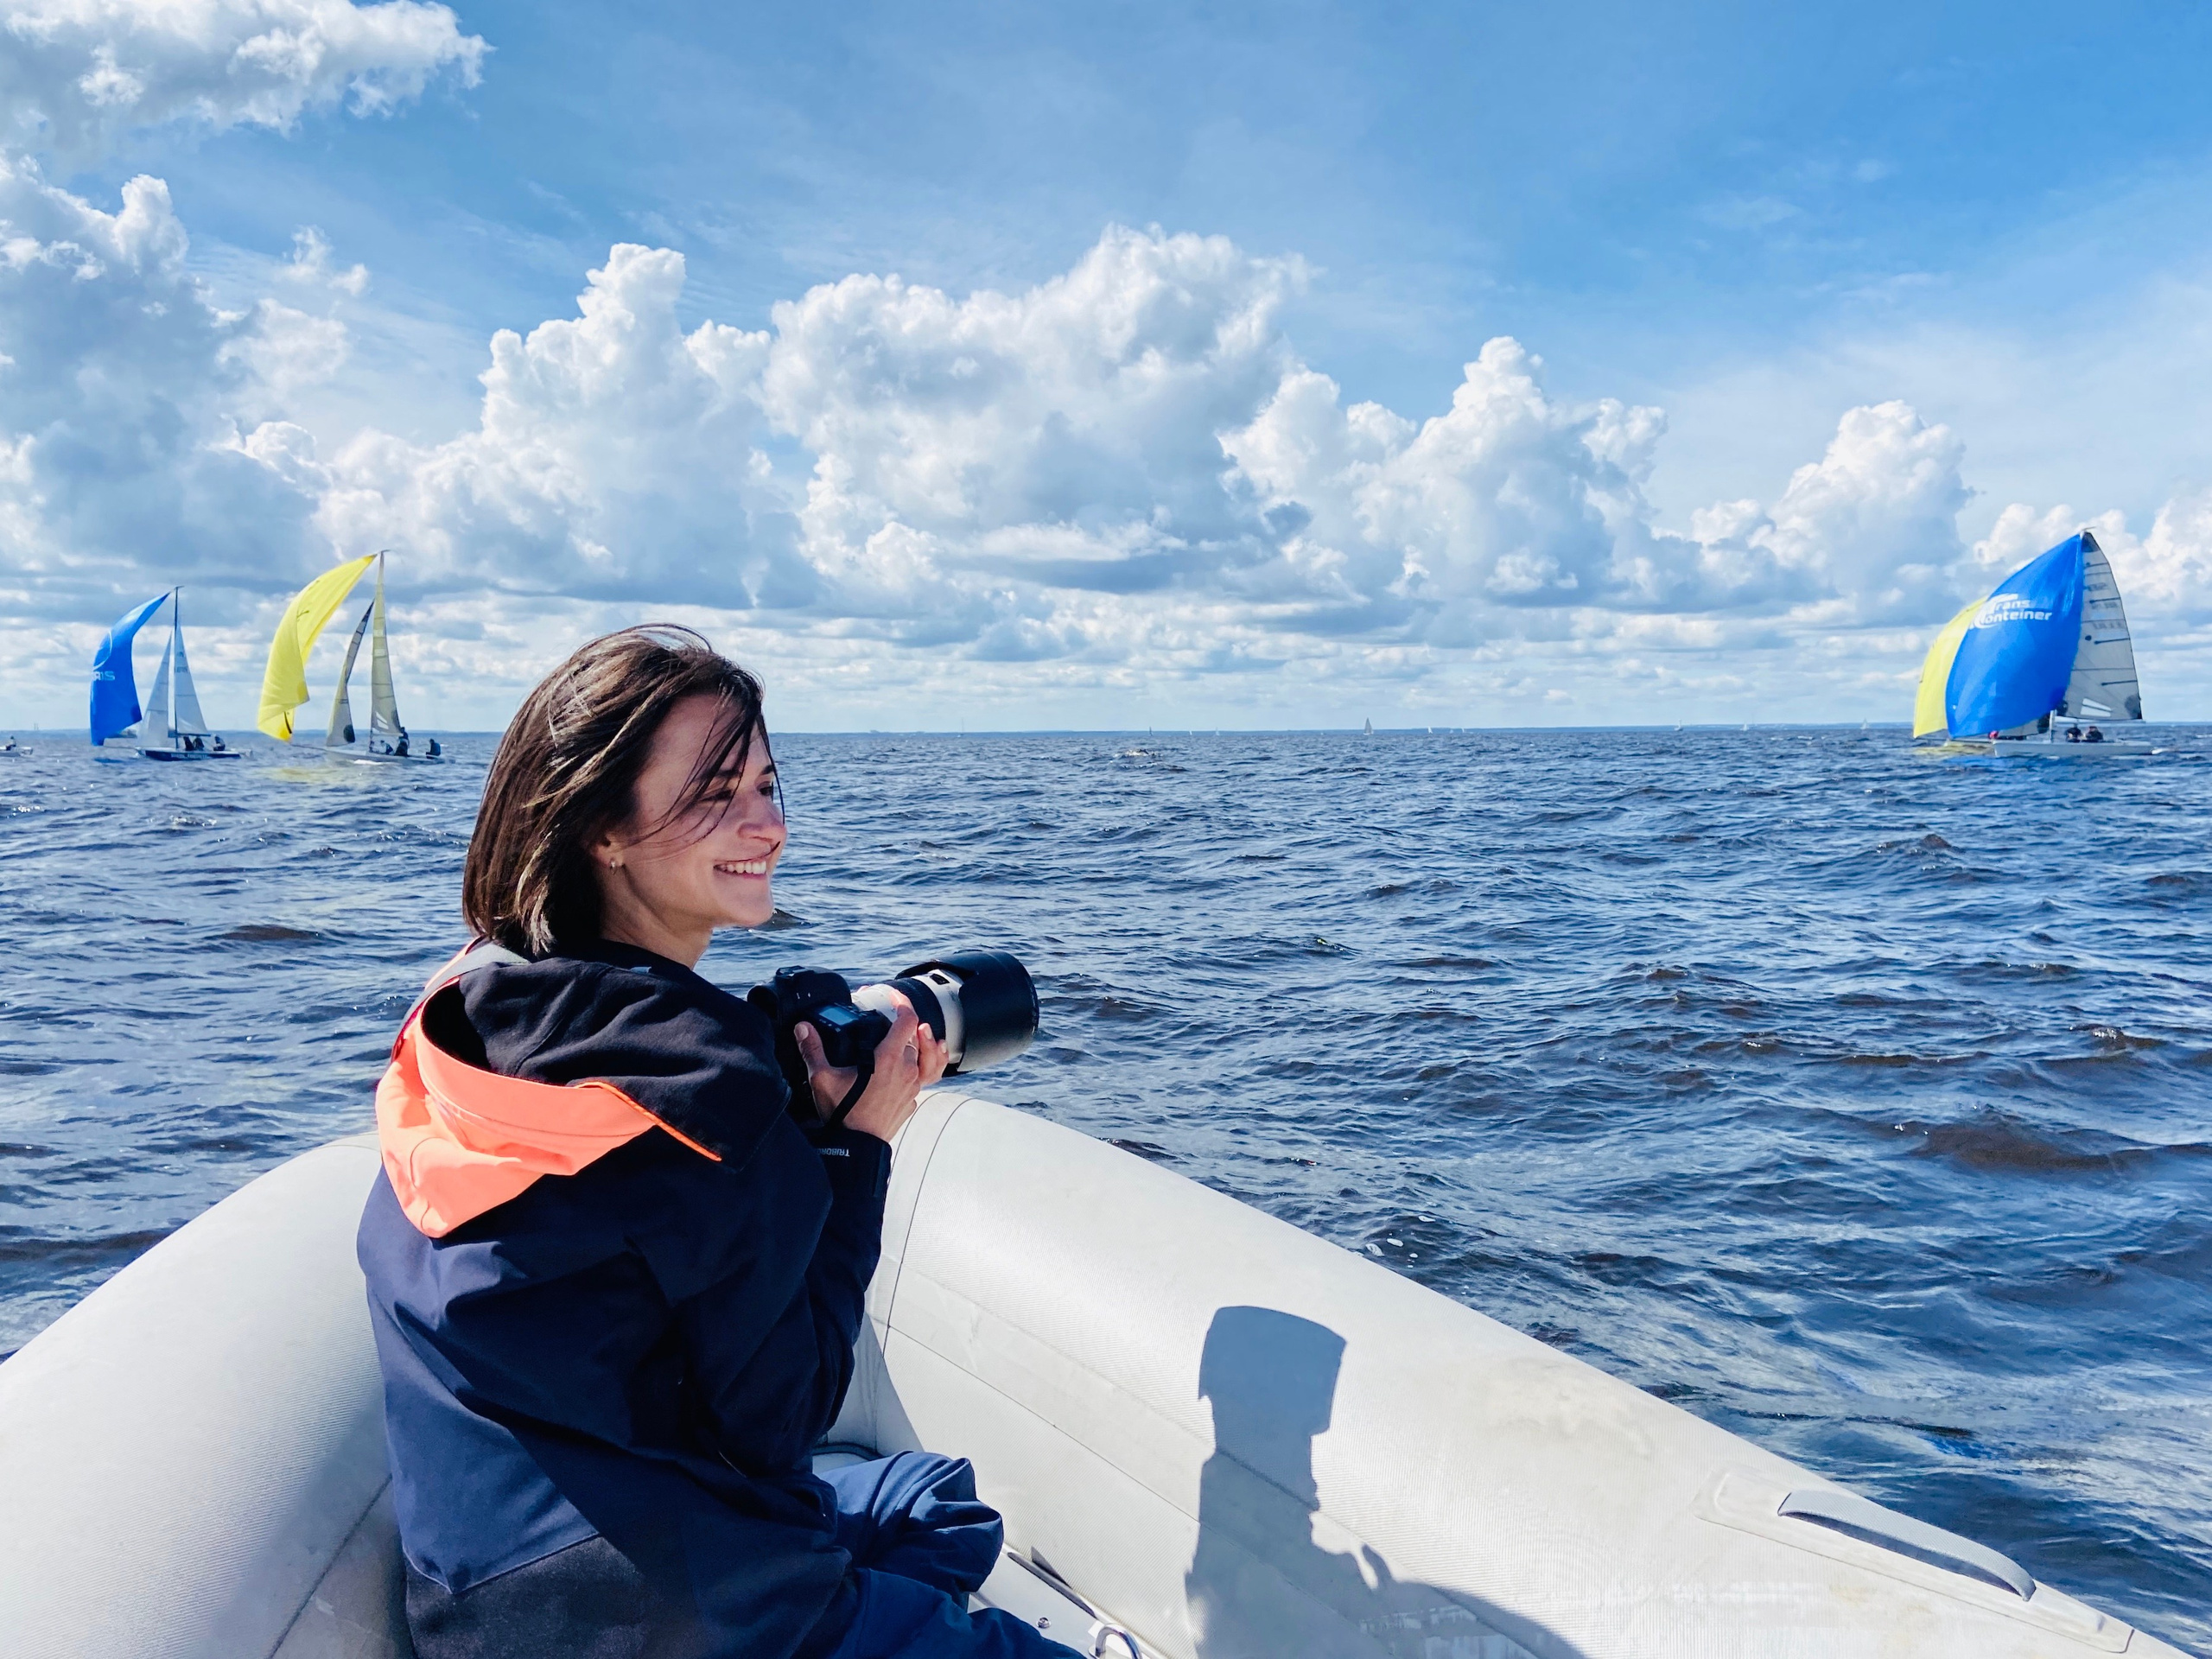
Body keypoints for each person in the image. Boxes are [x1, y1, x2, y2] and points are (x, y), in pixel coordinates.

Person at [357, 627, 1076, 1659]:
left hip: (477, 1593)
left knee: (932, 1500)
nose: (768, 824)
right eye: (715, 792)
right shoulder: (708, 1091)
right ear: (600, 824)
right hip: (690, 1617)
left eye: (768, 784)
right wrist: (856, 1146)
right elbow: (782, 1423)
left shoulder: (471, 1004)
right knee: (941, 1537)